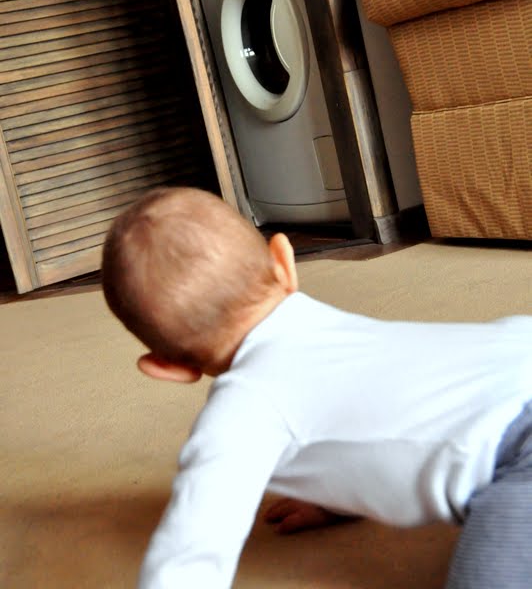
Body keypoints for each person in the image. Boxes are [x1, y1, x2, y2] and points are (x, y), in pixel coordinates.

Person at [101, 186, 532, 589]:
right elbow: (378, 406)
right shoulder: (325, 331)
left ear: (166, 367)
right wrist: (337, 492)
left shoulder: (243, 411)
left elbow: (192, 549)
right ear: (284, 262)